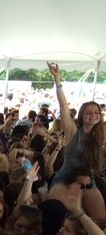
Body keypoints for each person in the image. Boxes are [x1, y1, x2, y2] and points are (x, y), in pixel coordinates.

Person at [46, 61, 106, 225]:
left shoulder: (100, 135)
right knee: (56, 217)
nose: (93, 115)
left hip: (88, 179)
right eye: (88, 112)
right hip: (66, 178)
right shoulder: (72, 130)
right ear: (81, 115)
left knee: (101, 221)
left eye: (96, 112)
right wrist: (57, 80)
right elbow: (63, 105)